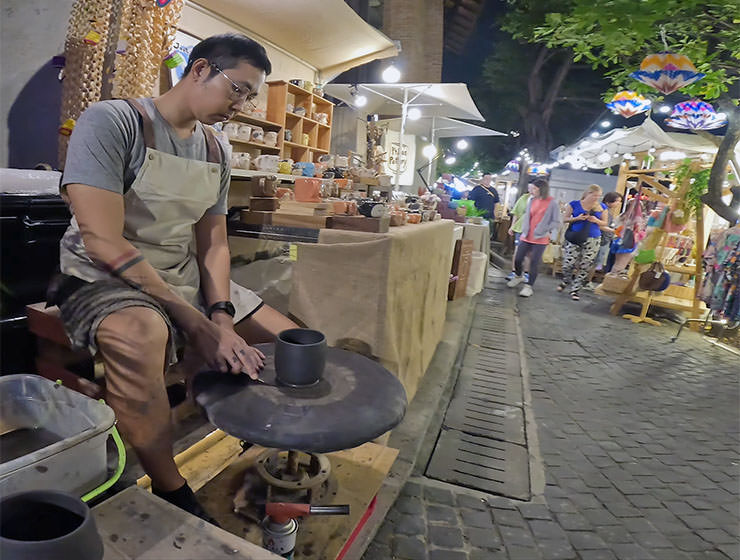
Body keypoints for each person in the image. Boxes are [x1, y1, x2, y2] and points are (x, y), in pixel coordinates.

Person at [47, 33, 299, 523]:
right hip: (101, 277)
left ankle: (247, 428)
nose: (241, 106)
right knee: (144, 334)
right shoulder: (114, 121)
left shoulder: (215, 149)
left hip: (177, 273)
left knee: (290, 338)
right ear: (200, 69)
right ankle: (170, 486)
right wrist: (194, 321)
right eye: (238, 89)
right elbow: (102, 241)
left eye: (249, 96)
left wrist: (221, 317)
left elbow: (215, 244)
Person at [506, 178, 561, 297]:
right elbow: (527, 216)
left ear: (541, 189)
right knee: (518, 258)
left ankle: (529, 286)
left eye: (534, 189)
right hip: (526, 235)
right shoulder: (531, 200)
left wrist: (545, 229)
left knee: (534, 262)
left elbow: (556, 221)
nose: (532, 191)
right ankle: (518, 276)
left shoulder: (552, 203)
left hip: (540, 237)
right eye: (531, 188)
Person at [558, 184, 609, 300]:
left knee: (586, 264)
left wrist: (596, 220)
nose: (596, 198)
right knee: (568, 264)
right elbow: (565, 219)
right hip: (575, 237)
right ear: (588, 193)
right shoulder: (574, 204)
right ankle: (566, 280)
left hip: (593, 238)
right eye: (594, 195)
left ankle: (575, 289)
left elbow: (605, 223)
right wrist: (577, 218)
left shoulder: (602, 207)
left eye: (599, 196)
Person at [588, 191, 623, 283]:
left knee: (595, 262)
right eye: (617, 201)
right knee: (593, 262)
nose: (618, 204)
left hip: (604, 239)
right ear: (608, 201)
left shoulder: (608, 212)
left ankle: (587, 281)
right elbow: (600, 225)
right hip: (599, 239)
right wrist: (614, 231)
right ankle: (587, 281)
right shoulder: (601, 210)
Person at [506, 183, 533, 280]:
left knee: (528, 253)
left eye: (532, 187)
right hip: (520, 228)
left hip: (532, 230)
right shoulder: (523, 198)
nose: (530, 189)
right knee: (517, 250)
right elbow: (516, 213)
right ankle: (514, 272)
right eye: (529, 187)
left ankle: (526, 273)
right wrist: (512, 226)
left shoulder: (540, 200)